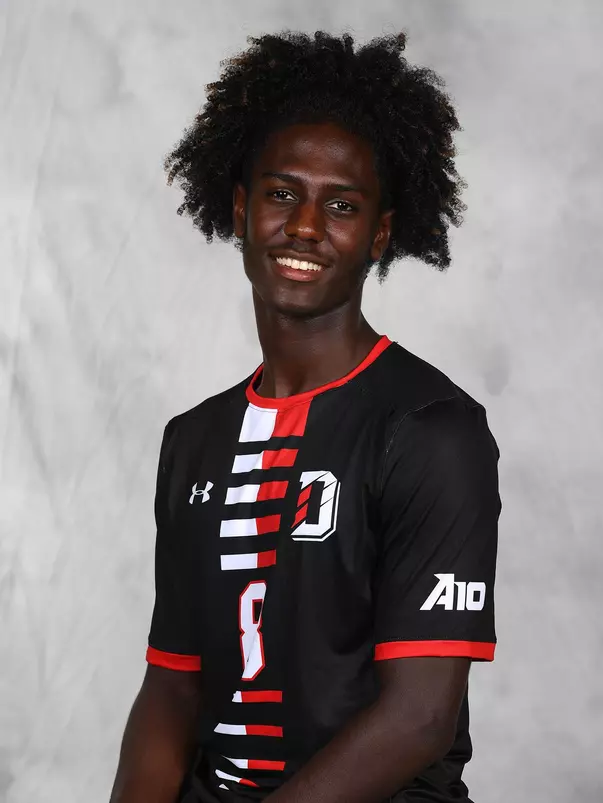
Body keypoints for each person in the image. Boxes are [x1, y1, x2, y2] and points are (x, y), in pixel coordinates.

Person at [109, 29, 502, 803]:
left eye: (342, 205)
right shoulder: (193, 441)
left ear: (379, 235)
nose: (306, 226)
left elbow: (419, 717)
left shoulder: (431, 429)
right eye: (283, 192)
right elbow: (172, 688)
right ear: (240, 206)